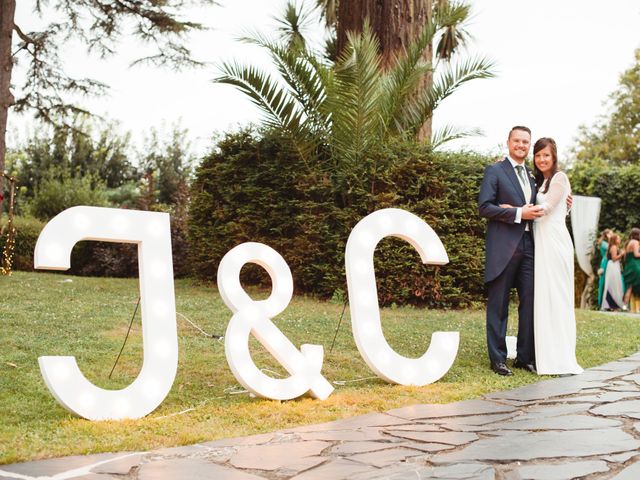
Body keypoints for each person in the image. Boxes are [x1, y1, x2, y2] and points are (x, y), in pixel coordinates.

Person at [478, 126, 541, 376]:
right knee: (499, 304)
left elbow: (539, 206)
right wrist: (517, 213)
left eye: (526, 142)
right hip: (504, 247)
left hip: (529, 246)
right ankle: (498, 359)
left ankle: (524, 357)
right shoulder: (495, 170)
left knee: (530, 303)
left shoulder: (532, 176)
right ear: (508, 142)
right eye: (517, 140)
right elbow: (485, 207)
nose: (521, 145)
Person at [530, 138, 582, 375]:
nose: (542, 159)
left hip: (555, 243)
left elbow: (548, 209)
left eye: (546, 155)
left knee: (559, 297)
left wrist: (514, 210)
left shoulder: (560, 178)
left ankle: (561, 356)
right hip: (541, 243)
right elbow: (560, 206)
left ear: (554, 157)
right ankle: (545, 349)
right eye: (538, 155)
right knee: (545, 296)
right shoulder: (540, 182)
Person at [601, 234, 625, 311]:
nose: (620, 240)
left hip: (614, 266)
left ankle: (613, 304)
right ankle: (612, 304)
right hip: (613, 266)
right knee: (613, 284)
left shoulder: (615, 247)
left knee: (614, 284)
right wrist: (621, 254)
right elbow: (614, 258)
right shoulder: (614, 247)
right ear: (615, 240)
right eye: (618, 239)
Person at [622, 228, 640, 313]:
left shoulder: (628, 243)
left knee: (629, 287)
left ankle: (625, 305)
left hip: (629, 266)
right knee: (635, 286)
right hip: (635, 266)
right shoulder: (635, 242)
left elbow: (625, 257)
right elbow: (636, 254)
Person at [597, 229, 612, 308]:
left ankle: (608, 303)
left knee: (608, 282)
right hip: (605, 262)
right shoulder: (603, 243)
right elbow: (609, 249)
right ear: (606, 234)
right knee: (603, 282)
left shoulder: (605, 243)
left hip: (608, 262)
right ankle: (602, 304)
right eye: (610, 233)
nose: (612, 235)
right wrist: (610, 239)